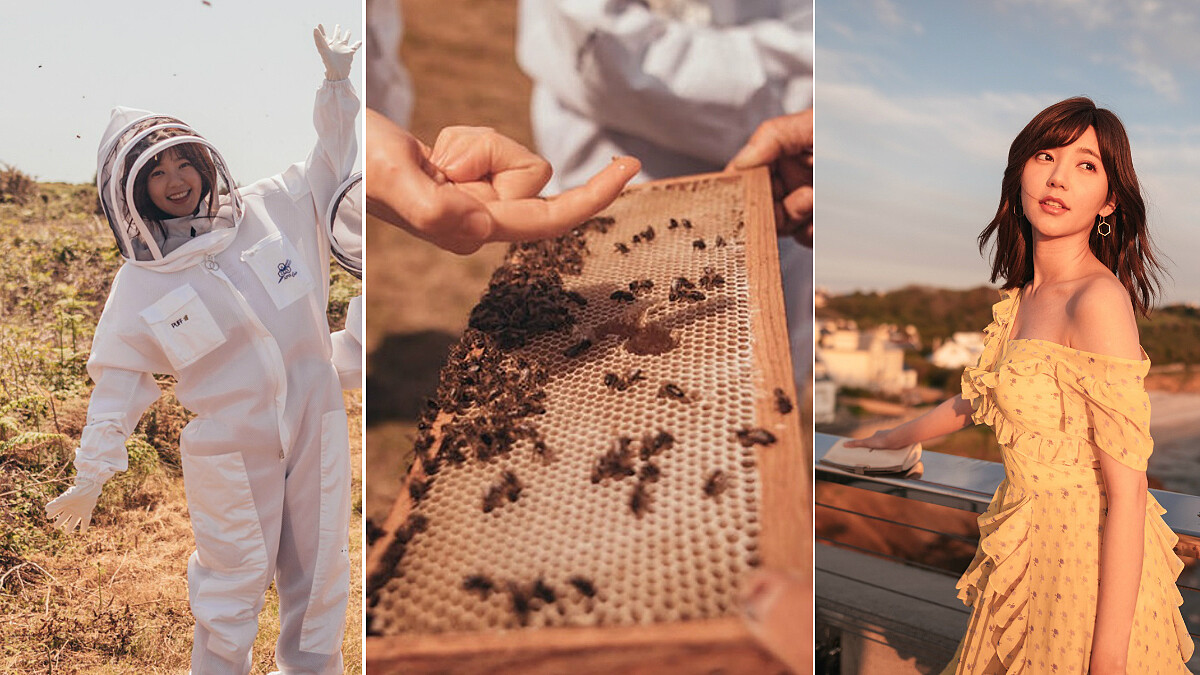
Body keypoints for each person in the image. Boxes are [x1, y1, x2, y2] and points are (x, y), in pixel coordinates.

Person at [45, 25, 361, 675]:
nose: (175, 178)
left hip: (315, 415)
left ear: (202, 158)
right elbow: (118, 376)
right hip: (229, 444)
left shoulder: (270, 205)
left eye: (181, 160)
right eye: (155, 171)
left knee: (322, 571)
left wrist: (336, 86)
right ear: (132, 189)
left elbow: (334, 169)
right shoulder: (140, 283)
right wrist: (92, 470)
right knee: (232, 584)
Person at [845, 98, 1191, 674]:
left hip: (1087, 567)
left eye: (1086, 165)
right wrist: (889, 436)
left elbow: (1128, 494)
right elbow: (977, 399)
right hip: (1026, 552)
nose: (1057, 177)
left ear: (1108, 200)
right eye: (1044, 156)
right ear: (1019, 175)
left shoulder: (1098, 300)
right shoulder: (1023, 301)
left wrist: (1106, 661)